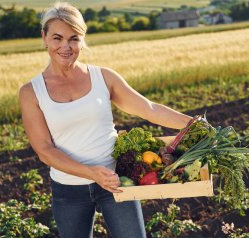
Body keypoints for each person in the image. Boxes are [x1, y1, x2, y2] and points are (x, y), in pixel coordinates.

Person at [19, 2, 193, 238]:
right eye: (57, 38)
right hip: (68, 190)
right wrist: (91, 173)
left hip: (117, 181)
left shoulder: (104, 77)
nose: (66, 47)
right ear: (44, 38)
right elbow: (45, 150)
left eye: (74, 38)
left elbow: (149, 108)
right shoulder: (31, 92)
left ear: (82, 39)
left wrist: (193, 124)